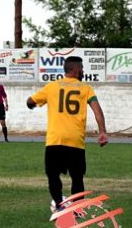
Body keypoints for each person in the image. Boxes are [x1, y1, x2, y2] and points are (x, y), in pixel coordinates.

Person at [26, 56, 108, 212]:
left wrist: (32, 104)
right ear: (75, 69)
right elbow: (97, 110)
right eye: (82, 68)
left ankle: (59, 204)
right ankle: (77, 210)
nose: (83, 71)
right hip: (75, 141)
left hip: (55, 140)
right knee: (77, 178)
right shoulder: (86, 88)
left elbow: (30, 102)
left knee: (53, 176)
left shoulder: (51, 87)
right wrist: (102, 132)